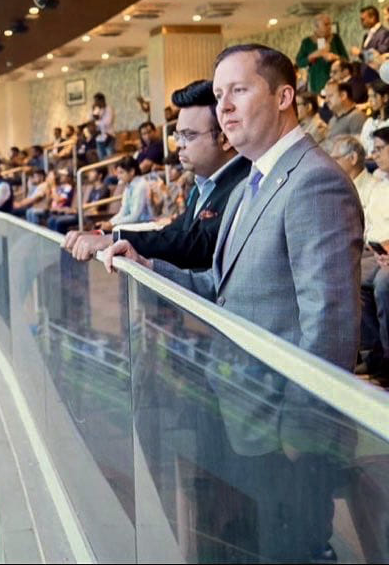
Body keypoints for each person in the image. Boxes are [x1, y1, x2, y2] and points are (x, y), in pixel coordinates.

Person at [105, 43, 363, 563]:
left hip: (286, 433)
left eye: (238, 90)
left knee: (296, 551)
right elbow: (223, 289)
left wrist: (304, 431)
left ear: (285, 95)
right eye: (220, 94)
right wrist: (149, 265)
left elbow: (330, 320)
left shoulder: (313, 182)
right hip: (242, 416)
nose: (223, 106)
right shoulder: (252, 182)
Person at [66, 79, 249, 269]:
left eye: (190, 135)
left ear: (225, 138)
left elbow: (198, 244)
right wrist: (107, 236)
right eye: (178, 136)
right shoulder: (203, 184)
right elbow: (176, 231)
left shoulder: (245, 182)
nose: (179, 144)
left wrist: (115, 238)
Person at [346, 127, 389, 382]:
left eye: (381, 149)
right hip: (375, 250)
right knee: (349, 270)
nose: (374, 154)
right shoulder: (381, 183)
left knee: (383, 283)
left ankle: (387, 358)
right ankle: (372, 352)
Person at [295, 13, 346, 94]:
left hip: (337, 81)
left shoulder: (336, 39)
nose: (329, 27)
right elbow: (299, 62)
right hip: (317, 83)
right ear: (316, 27)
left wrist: (335, 57)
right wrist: (314, 55)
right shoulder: (307, 42)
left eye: (330, 24)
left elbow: (346, 59)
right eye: (326, 24)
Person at [98, 157, 151, 231]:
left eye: (121, 172)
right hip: (135, 224)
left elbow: (135, 216)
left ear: (132, 171)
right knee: (106, 229)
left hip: (145, 224)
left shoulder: (141, 185)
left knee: (116, 229)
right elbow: (123, 211)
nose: (118, 176)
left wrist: (112, 224)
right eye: (118, 173)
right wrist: (109, 222)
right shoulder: (128, 186)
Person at [322, 80, 365, 145]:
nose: (326, 100)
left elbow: (358, 148)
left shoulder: (357, 117)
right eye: (326, 97)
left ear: (343, 95)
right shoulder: (332, 120)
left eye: (330, 96)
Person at [355, 4, 389, 81]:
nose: (385, 18)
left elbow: (379, 57)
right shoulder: (366, 35)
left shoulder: (384, 33)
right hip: (367, 79)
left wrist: (359, 53)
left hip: (378, 79)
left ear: (372, 17)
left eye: (363, 19)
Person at [360, 81, 389, 155]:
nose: (369, 100)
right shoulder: (370, 121)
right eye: (368, 96)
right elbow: (362, 144)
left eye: (373, 96)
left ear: (385, 98)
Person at [91, 92, 115, 159]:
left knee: (110, 159)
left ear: (102, 100)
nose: (95, 102)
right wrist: (93, 110)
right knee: (101, 160)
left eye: (96, 100)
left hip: (109, 137)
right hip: (99, 138)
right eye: (95, 101)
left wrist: (97, 122)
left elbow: (107, 122)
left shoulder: (109, 108)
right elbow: (91, 119)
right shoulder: (96, 110)